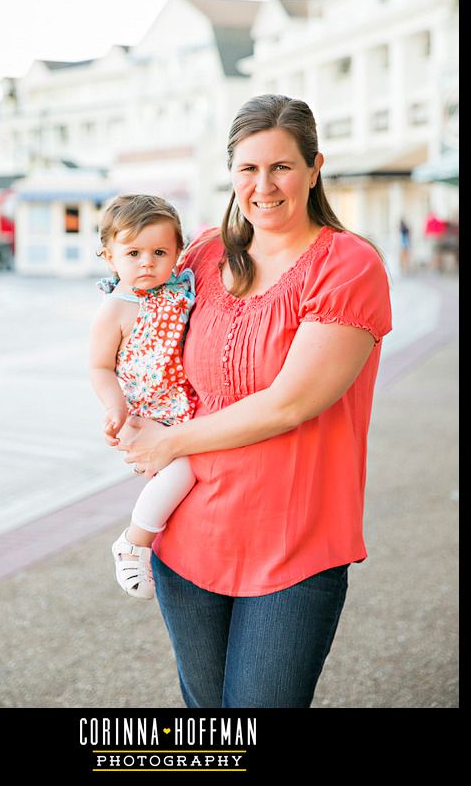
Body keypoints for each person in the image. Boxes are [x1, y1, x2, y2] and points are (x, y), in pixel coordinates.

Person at [110, 94, 392, 708]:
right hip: (188, 538)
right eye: (247, 168)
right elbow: (136, 320)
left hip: (292, 547)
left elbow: (289, 404)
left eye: (281, 167)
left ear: (315, 167)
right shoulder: (204, 254)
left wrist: (170, 442)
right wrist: (119, 400)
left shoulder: (348, 266)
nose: (262, 185)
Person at [89, 194, 197, 600]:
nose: (147, 262)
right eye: (133, 252)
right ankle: (134, 543)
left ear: (178, 253)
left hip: (184, 408)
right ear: (109, 257)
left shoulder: (181, 290)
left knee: (193, 471)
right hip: (143, 415)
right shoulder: (115, 309)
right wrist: (115, 406)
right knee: (182, 471)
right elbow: (99, 366)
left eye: (159, 252)